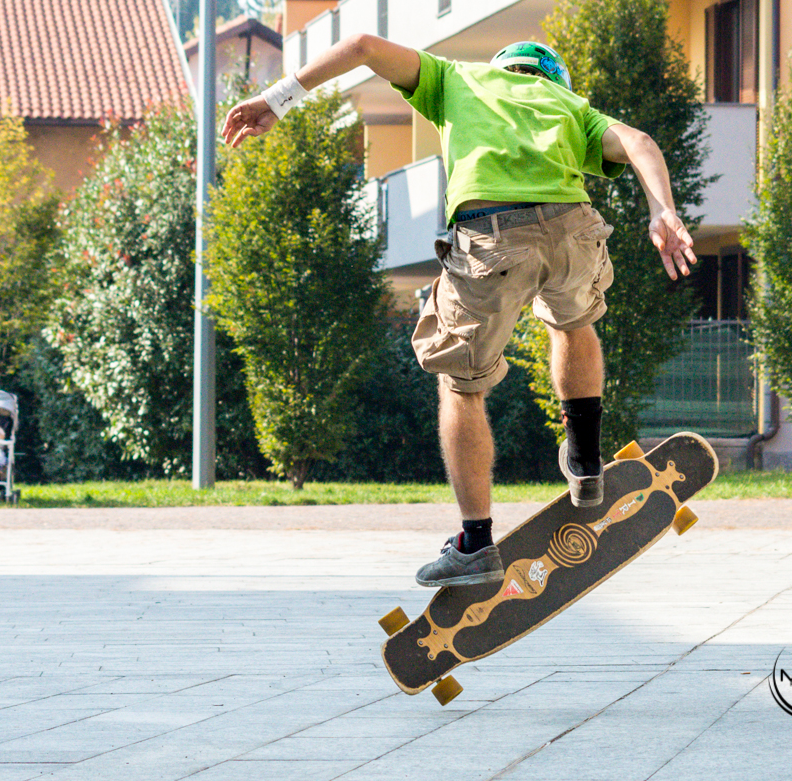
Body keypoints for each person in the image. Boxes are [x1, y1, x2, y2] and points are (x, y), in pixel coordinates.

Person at [222, 35, 696, 587]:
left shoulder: (456, 78)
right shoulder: (570, 106)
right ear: (552, 80)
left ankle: (475, 544)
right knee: (573, 321)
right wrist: (662, 209)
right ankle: (586, 462)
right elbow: (639, 141)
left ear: (504, 69)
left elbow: (363, 46)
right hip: (575, 230)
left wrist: (275, 99)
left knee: (461, 383)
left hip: (492, 237)